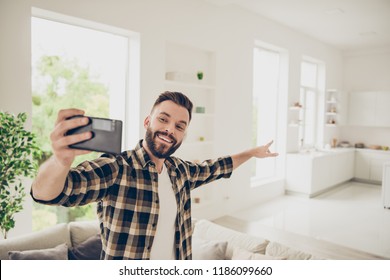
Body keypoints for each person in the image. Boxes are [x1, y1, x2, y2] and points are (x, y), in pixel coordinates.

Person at [31, 91, 278, 260]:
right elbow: (49, 193)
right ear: (148, 121)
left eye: (180, 126)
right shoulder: (117, 168)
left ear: (183, 134)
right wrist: (60, 160)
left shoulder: (180, 171)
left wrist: (252, 153)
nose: (170, 129)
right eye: (164, 119)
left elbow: (217, 167)